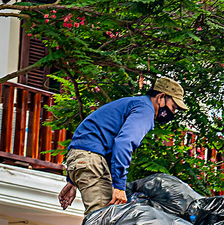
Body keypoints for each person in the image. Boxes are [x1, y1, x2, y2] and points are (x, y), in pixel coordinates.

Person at [59, 77, 188, 214]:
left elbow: (90, 140)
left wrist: (72, 180)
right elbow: (124, 142)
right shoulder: (145, 110)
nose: (173, 113)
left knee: (107, 218)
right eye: (173, 107)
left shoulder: (134, 103)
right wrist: (119, 186)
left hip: (84, 156)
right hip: (90, 158)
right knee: (102, 220)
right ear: (161, 97)